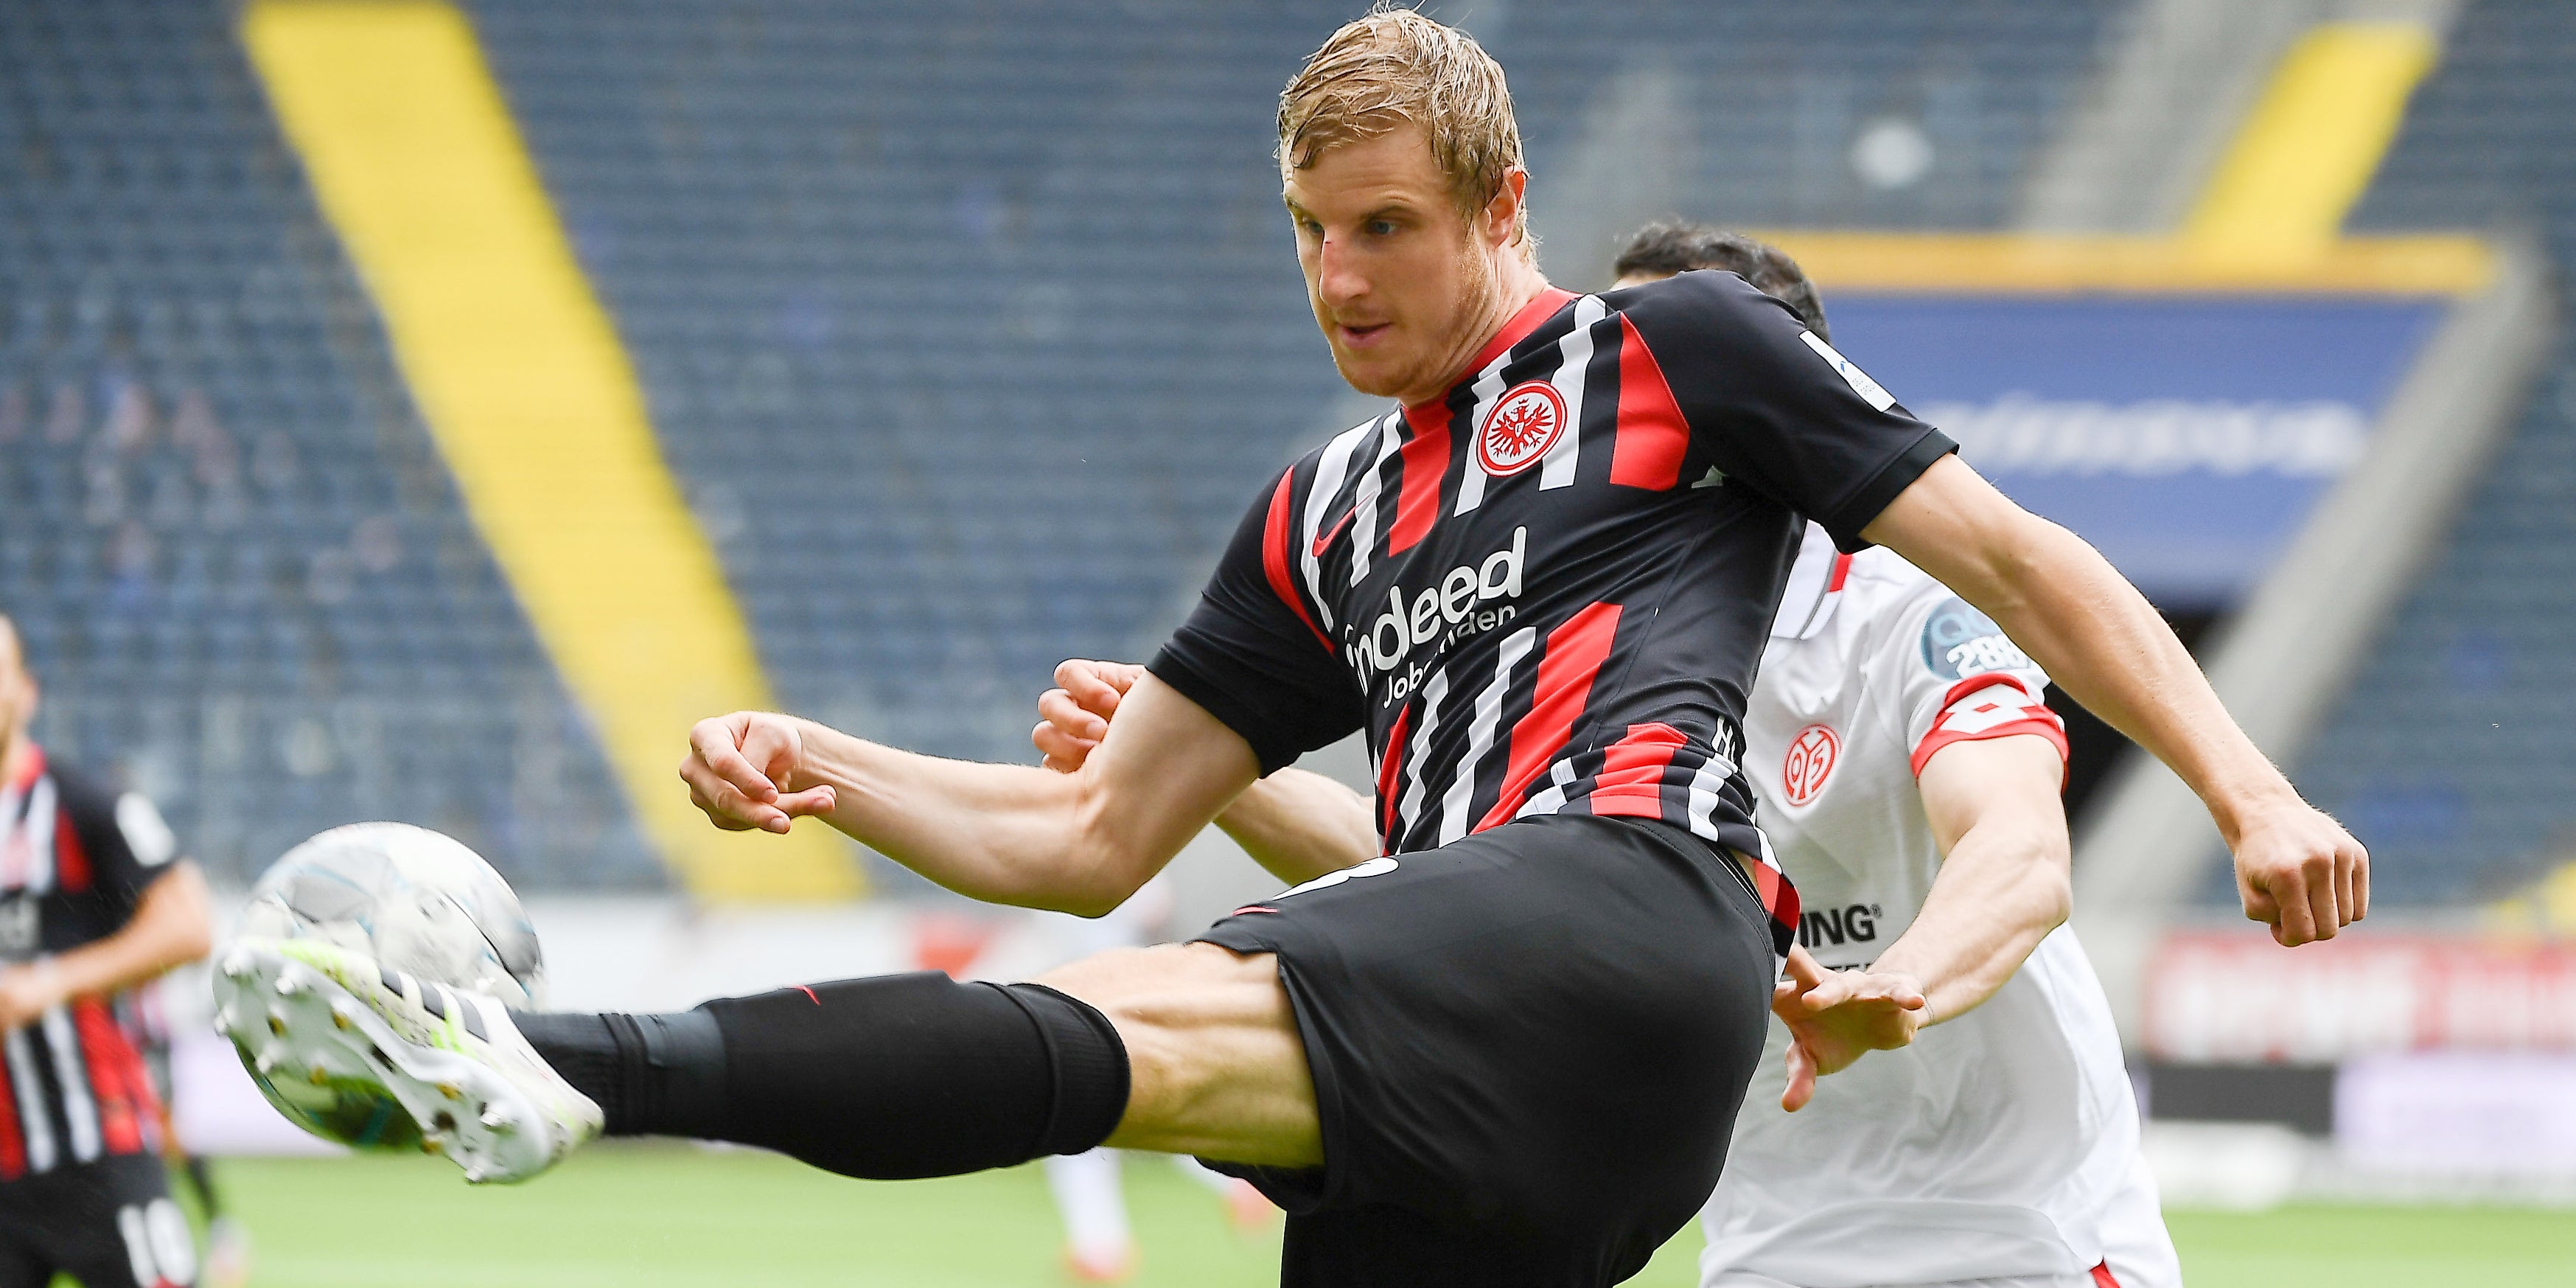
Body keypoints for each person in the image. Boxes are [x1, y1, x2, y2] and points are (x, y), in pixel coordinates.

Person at [218, 13, 2363, 1287]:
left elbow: (2019, 560)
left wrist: (2249, 790)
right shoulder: (1319, 513)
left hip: (1633, 919)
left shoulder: (1674, 353)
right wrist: (829, 758)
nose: (1339, 278)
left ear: (1500, 205)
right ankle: (566, 1069)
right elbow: (1081, 836)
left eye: (1386, 229)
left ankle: (559, 1065)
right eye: (1310, 234)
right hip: (1561, 1077)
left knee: (1135, 1018)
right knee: (1126, 990)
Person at [1030, 226, 2185, 1288]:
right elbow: (1445, 872)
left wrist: (1902, 980)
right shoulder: (1578, 647)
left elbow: (2019, 849)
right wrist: (1209, 772)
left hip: (2020, 1235)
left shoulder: (1897, 615)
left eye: (1649, 366)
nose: (1600, 396)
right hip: (1773, 1247)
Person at [0, 613, 214, 1288]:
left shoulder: (82, 802)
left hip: (100, 1148)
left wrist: (52, 981)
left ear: (27, 691)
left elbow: (189, 924)